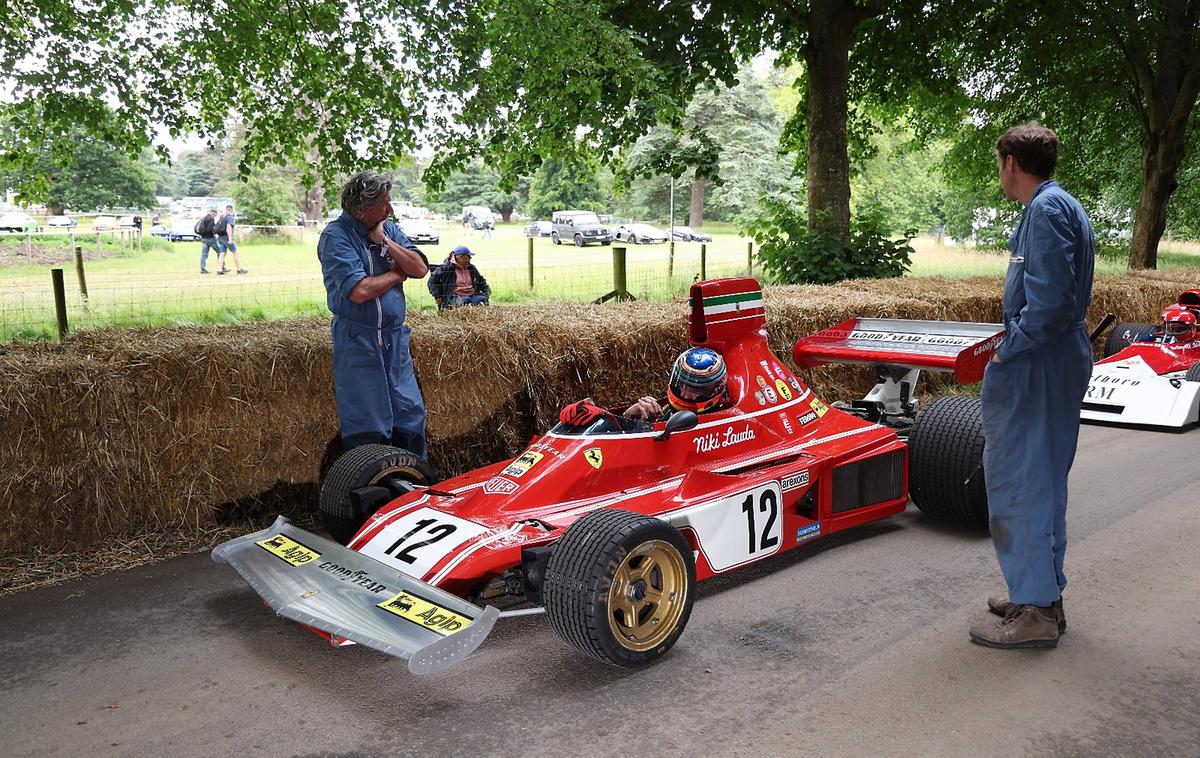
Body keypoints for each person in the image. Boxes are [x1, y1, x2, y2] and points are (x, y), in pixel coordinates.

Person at [969, 123, 1095, 650]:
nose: (999, 170)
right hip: (1055, 358)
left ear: (1011, 163)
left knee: (1020, 483)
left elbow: (1046, 307)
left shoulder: (1044, 212)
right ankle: (1040, 594)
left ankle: (1037, 613)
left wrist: (1003, 349)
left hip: (1038, 363)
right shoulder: (1061, 205)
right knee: (1042, 483)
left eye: (998, 161)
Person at [317, 171, 430, 456]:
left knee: (410, 415)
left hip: (394, 339)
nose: (390, 209)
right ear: (360, 209)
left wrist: (386, 243)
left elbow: (419, 268)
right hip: (359, 341)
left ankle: (415, 485)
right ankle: (376, 491)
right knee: (369, 425)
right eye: (384, 203)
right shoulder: (335, 236)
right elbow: (360, 291)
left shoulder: (387, 229)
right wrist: (395, 275)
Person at [623, 347, 730, 425]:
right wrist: (628, 415)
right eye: (682, 385)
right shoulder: (666, 410)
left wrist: (646, 426)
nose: (685, 395)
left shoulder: (721, 420)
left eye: (696, 390)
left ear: (715, 390)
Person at [427, 245, 491, 309]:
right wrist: (438, 296)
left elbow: (480, 279)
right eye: (468, 257)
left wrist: (486, 289)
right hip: (453, 297)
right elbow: (431, 282)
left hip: (472, 295)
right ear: (460, 257)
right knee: (466, 300)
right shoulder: (446, 268)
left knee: (482, 299)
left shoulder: (471, 268)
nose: (469, 259)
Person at [215, 205, 247, 275]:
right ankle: (239, 269)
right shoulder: (230, 218)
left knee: (222, 253)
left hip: (220, 238)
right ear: (232, 210)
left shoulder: (222, 217)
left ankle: (219, 270)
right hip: (226, 238)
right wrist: (230, 238)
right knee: (235, 252)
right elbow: (228, 228)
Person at [196, 208, 221, 274]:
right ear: (213, 213)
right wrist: (215, 232)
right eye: (215, 213)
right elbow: (209, 230)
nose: (216, 215)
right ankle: (221, 267)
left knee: (204, 254)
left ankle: (203, 269)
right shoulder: (211, 219)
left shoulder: (204, 218)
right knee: (220, 251)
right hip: (210, 239)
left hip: (203, 238)